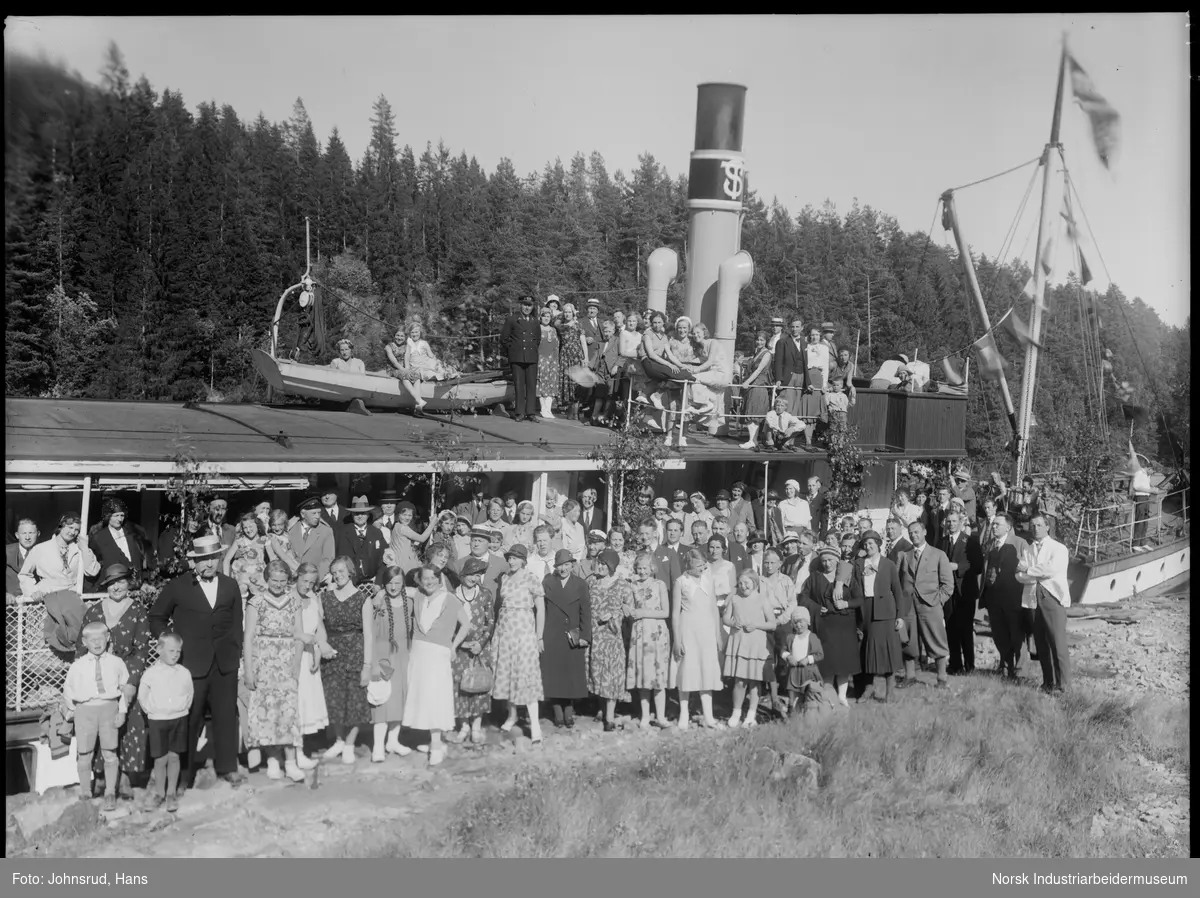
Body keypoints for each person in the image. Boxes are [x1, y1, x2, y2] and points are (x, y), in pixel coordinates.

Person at [148, 534, 245, 788]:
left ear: (219, 558)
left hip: (225, 662)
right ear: (194, 562)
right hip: (191, 664)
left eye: (213, 558)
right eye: (203, 560)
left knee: (226, 716)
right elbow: (157, 616)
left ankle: (227, 767)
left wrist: (237, 654)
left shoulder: (230, 585)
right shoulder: (178, 586)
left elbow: (236, 623)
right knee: (190, 719)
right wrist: (169, 643)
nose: (208, 564)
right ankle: (185, 774)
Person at [75, 564, 151, 801]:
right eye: (111, 583)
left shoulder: (138, 610)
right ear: (106, 586)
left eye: (121, 581)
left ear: (129, 583)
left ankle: (126, 777)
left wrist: (131, 683)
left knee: (130, 722)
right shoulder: (94, 611)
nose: (117, 587)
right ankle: (100, 777)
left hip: (126, 673)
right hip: (99, 678)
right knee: (99, 725)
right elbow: (81, 646)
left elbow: (141, 650)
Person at [243, 561, 305, 782]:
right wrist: (249, 670)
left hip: (287, 660)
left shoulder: (294, 601)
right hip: (264, 662)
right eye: (274, 580)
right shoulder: (256, 602)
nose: (278, 584)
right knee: (267, 711)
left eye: (282, 580)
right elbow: (248, 636)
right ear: (266, 579)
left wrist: (296, 665)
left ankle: (290, 762)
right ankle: (272, 760)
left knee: (288, 712)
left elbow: (299, 634)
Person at [65, 621, 129, 811]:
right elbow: (68, 690)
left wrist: (122, 711)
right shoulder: (78, 666)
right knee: (84, 754)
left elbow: (124, 689)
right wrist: (74, 711)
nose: (97, 643)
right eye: (92, 640)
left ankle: (110, 792)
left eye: (101, 638)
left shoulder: (117, 663)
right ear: (84, 642)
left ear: (108, 638)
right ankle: (85, 792)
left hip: (109, 708)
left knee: (110, 753)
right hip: (85, 710)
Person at [316, 556, 372, 765]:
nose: (338, 575)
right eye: (334, 572)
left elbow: (369, 635)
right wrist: (322, 644)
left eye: (341, 571)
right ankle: (339, 740)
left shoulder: (362, 599)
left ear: (350, 572)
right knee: (334, 700)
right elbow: (318, 624)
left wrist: (367, 665)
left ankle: (349, 744)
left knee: (355, 701)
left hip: (355, 652)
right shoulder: (325, 597)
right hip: (333, 653)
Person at [19, 514, 99, 657]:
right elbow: (25, 574)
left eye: (76, 529)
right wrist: (32, 591)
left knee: (74, 638)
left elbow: (92, 571)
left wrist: (85, 548)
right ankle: (44, 677)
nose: (72, 532)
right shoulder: (41, 549)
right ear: (61, 526)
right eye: (69, 527)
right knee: (48, 644)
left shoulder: (78, 548)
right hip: (47, 601)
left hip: (72, 599)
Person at [491, 544, 545, 743]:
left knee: (526, 676)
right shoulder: (504, 578)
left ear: (523, 560)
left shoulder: (531, 578)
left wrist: (539, 636)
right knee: (507, 675)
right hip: (504, 633)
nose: (511, 561)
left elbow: (541, 609)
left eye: (515, 558)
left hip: (524, 634)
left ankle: (535, 725)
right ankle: (512, 715)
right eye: (510, 558)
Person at [1015, 515, 1071, 694]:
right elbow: (1018, 574)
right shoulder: (1029, 549)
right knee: (1040, 644)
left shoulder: (1058, 548)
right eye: (1032, 525)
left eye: (1039, 525)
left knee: (1057, 643)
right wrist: (1030, 573)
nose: (1035, 528)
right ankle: (1048, 683)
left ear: (1047, 527)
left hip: (1051, 597)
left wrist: (1029, 571)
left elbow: (1051, 569)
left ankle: (1064, 686)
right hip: (1032, 599)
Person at [137, 631, 193, 812]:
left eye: (178, 651)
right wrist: (152, 711)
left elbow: (189, 693)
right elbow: (142, 696)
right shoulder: (151, 674)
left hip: (178, 719)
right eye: (171, 651)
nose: (175, 654)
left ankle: (171, 793)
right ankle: (160, 793)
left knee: (174, 757)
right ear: (159, 649)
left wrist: (182, 708)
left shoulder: (184, 673)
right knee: (160, 759)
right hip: (158, 720)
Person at [798, 545, 859, 707]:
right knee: (827, 662)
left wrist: (846, 603)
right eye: (823, 560)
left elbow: (859, 599)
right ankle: (829, 696)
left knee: (843, 662)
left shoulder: (847, 578)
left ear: (837, 560)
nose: (827, 564)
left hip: (845, 625)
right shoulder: (814, 578)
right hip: (823, 625)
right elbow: (803, 598)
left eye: (830, 560)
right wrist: (817, 608)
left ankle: (842, 696)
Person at [670, 547, 723, 729]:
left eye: (704, 564)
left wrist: (717, 634)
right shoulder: (681, 582)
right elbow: (675, 613)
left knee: (706, 670)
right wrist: (677, 639)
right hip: (688, 630)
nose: (702, 568)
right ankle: (684, 714)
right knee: (687, 671)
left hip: (707, 630)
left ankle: (708, 716)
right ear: (689, 564)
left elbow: (714, 608)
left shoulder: (709, 580)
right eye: (699, 565)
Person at [540, 549, 592, 728]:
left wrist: (585, 636)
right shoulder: (547, 581)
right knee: (553, 675)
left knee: (571, 675)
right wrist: (539, 636)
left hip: (572, 635)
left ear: (572, 565)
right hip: (551, 634)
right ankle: (557, 713)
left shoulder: (581, 584)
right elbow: (541, 610)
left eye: (566, 565)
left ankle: (569, 711)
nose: (563, 569)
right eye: (560, 565)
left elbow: (586, 611)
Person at [851, 531, 905, 704]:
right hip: (864, 610)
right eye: (865, 544)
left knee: (887, 650)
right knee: (866, 650)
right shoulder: (857, 564)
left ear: (878, 544)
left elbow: (897, 590)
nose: (868, 547)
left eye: (871, 543)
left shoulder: (888, 564)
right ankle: (868, 687)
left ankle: (890, 690)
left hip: (885, 612)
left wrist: (900, 615)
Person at [899, 521, 954, 689]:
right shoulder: (904, 556)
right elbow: (898, 582)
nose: (913, 535)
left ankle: (942, 678)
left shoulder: (938, 554)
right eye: (911, 533)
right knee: (908, 640)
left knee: (936, 639)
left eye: (916, 532)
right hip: (908, 606)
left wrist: (937, 602)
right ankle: (910, 676)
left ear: (924, 532)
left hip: (930, 606)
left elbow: (948, 585)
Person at [447, 557, 495, 745]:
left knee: (479, 686)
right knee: (460, 686)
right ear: (462, 574)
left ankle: (476, 726)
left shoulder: (485, 594)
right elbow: (447, 624)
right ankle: (463, 725)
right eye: (470, 574)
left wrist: (481, 643)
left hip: (479, 649)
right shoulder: (453, 595)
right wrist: (460, 644)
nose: (473, 579)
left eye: (477, 575)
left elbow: (490, 621)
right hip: (459, 649)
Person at [979, 514, 1029, 679]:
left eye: (997, 525)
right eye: (993, 525)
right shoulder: (990, 545)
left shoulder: (1020, 543)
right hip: (994, 598)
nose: (993, 527)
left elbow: (1028, 568)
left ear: (1008, 527)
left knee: (1017, 636)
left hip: (1014, 598)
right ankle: (1006, 668)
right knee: (1000, 635)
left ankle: (1020, 673)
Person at [722, 569, 774, 728]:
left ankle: (751, 715)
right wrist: (731, 623)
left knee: (754, 682)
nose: (744, 586)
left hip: (755, 645)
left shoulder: (762, 599)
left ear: (755, 583)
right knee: (739, 681)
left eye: (747, 583)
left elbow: (772, 623)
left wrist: (757, 625)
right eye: (741, 583)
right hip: (739, 643)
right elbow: (725, 618)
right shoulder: (734, 598)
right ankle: (736, 712)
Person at [587, 550, 633, 731]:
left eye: (604, 564)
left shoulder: (622, 585)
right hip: (595, 635)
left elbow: (630, 611)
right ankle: (601, 708)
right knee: (597, 672)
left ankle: (610, 716)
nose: (600, 567)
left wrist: (615, 613)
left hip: (613, 636)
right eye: (599, 563)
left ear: (612, 566)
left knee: (612, 674)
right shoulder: (591, 582)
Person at [625, 552, 672, 729]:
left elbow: (665, 612)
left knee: (659, 677)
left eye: (645, 568)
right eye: (639, 568)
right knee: (643, 676)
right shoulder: (632, 586)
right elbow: (629, 607)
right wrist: (627, 610)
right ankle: (645, 716)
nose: (642, 571)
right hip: (640, 634)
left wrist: (644, 613)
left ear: (652, 568)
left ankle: (660, 716)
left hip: (657, 633)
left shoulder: (659, 585)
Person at [291, 563, 330, 767]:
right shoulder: (288, 598)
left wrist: (317, 652)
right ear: (296, 577)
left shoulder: (313, 599)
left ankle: (301, 751)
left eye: (312, 583)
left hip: (309, 656)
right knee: (295, 705)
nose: (307, 586)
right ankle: (294, 754)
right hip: (293, 657)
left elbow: (319, 630)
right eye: (304, 581)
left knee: (305, 705)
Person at [941, 512, 978, 675]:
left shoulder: (970, 541)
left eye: (954, 521)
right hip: (948, 591)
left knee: (965, 629)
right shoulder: (942, 542)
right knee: (950, 627)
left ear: (961, 523)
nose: (951, 524)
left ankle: (970, 665)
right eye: (948, 521)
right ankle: (955, 664)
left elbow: (977, 566)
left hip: (965, 591)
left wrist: (958, 567)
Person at [500, 295, 541, 422]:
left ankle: (531, 412)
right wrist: (513, 349)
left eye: (529, 305)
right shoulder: (512, 319)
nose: (527, 308)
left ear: (532, 306)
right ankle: (519, 412)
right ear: (520, 305)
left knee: (531, 385)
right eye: (525, 305)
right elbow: (504, 338)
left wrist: (532, 348)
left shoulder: (535, 321)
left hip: (531, 356)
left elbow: (537, 339)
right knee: (519, 385)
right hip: (517, 357)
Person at [89, 499, 148, 588]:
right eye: (116, 515)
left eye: (122, 515)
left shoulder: (134, 533)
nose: (120, 519)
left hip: (136, 584)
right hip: (113, 585)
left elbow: (142, 557)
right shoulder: (99, 537)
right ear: (108, 516)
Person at [780, 606, 827, 715]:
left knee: (809, 695)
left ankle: (810, 715)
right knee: (793, 696)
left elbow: (820, 654)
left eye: (801, 622)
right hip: (794, 672)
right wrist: (788, 657)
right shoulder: (790, 638)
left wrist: (808, 659)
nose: (798, 625)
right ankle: (792, 715)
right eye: (795, 623)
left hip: (808, 672)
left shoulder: (812, 637)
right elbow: (782, 651)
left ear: (807, 621)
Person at [335, 496, 389, 586]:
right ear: (352, 515)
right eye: (356, 513)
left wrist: (378, 582)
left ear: (368, 515)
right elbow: (337, 557)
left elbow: (383, 560)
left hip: (372, 583)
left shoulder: (376, 533)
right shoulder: (342, 533)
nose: (360, 516)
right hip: (348, 583)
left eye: (363, 513)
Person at [739, 331, 775, 450]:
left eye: (762, 340)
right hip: (753, 385)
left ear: (766, 341)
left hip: (759, 384)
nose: (759, 342)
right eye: (758, 340)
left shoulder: (767, 354)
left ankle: (752, 440)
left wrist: (747, 382)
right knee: (750, 411)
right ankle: (752, 440)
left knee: (754, 412)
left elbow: (759, 370)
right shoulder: (756, 353)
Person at [288, 496, 336, 583]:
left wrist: (314, 579)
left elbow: (328, 559)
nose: (317, 516)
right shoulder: (290, 529)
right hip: (292, 581)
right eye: (314, 513)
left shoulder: (326, 531)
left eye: (319, 513)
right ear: (303, 514)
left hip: (315, 582)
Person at [223, 512, 269, 600]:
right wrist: (226, 578)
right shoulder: (240, 541)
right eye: (245, 527)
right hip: (243, 574)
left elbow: (272, 557)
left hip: (258, 574)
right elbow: (227, 559)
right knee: (241, 590)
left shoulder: (264, 539)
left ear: (257, 526)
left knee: (260, 597)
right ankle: (242, 611)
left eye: (251, 526)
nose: (248, 530)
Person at [555, 302, 589, 420]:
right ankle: (569, 410)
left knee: (576, 383)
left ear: (573, 313)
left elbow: (583, 342)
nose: (567, 314)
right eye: (565, 312)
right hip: (565, 356)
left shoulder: (578, 325)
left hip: (576, 356)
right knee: (566, 383)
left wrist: (586, 358)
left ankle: (575, 410)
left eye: (569, 312)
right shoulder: (560, 326)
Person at [797, 324, 829, 446]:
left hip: (818, 377)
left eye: (816, 335)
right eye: (812, 335)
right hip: (807, 376)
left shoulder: (824, 348)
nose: (814, 337)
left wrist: (824, 383)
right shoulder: (805, 346)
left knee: (814, 411)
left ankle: (810, 439)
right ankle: (807, 440)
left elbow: (825, 367)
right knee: (806, 409)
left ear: (820, 335)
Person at [388, 501, 436, 576]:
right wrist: (432, 524)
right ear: (398, 515)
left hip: (399, 561)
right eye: (404, 515)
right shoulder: (403, 528)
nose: (407, 518)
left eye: (409, 515)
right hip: (404, 563)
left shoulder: (396, 526)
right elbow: (422, 538)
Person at [535, 305, 562, 420]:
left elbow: (557, 346)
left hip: (553, 361)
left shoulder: (554, 330)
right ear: (540, 317)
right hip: (541, 359)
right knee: (542, 383)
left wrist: (556, 360)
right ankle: (543, 409)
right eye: (544, 316)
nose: (546, 318)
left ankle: (548, 409)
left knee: (552, 383)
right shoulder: (537, 329)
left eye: (548, 316)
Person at [7, 518, 39, 599]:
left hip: (36, 603)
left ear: (38, 534)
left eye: (31, 533)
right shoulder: (7, 552)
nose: (27, 537)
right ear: (17, 535)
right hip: (10, 605)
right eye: (24, 533)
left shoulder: (44, 552)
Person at [264, 510, 301, 577]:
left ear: (284, 524)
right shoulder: (271, 538)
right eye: (273, 525)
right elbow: (277, 557)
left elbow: (294, 519)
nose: (277, 528)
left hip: (293, 563)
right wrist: (298, 570)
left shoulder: (286, 534)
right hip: (281, 568)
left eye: (280, 525)